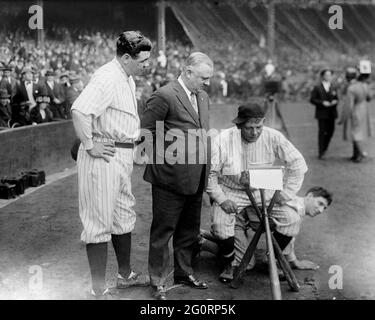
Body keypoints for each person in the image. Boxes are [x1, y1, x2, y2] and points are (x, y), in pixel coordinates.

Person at [71, 30, 152, 299]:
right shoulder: (107, 76)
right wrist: (90, 145)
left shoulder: (125, 76)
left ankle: (125, 275)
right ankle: (97, 289)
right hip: (103, 155)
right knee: (98, 221)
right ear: (126, 57)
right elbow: (80, 110)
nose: (147, 65)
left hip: (120, 154)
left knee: (122, 214)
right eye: (143, 61)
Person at [205, 101, 308, 282]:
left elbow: (298, 164)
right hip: (232, 189)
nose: (255, 132)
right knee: (221, 226)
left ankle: (272, 258)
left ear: (264, 122)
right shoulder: (223, 139)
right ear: (239, 125)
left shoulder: (273, 136)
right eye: (249, 128)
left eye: (258, 127)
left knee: (291, 220)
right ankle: (229, 263)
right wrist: (221, 199)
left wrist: (287, 193)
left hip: (263, 190)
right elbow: (210, 174)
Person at [141, 52, 214, 300]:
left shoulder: (203, 97)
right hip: (169, 180)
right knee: (163, 232)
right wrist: (167, 167)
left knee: (188, 231)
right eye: (204, 77)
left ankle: (184, 273)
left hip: (196, 176)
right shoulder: (164, 95)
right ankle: (157, 281)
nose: (208, 82)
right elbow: (146, 134)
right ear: (188, 71)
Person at [200, 186, 332, 281]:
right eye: (319, 203)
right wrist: (272, 259)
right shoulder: (290, 202)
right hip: (235, 218)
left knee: (252, 254)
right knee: (246, 263)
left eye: (324, 208)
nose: (320, 210)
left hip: (244, 222)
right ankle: (201, 242)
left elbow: (289, 237)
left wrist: (294, 261)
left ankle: (204, 234)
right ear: (309, 196)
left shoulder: (298, 211)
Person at [340, 68, 372, 163]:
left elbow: (349, 105)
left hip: (355, 111)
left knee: (355, 134)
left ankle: (361, 154)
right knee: (358, 132)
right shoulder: (364, 85)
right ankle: (355, 155)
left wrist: (342, 118)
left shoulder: (351, 88)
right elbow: (369, 98)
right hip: (364, 110)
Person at [310, 69, 339, 159]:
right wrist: (322, 102)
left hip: (332, 113)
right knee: (322, 132)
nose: (328, 77)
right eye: (326, 75)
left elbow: (337, 98)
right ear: (323, 76)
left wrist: (335, 101)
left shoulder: (334, 86)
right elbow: (312, 99)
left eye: (330, 75)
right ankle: (321, 152)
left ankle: (325, 147)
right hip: (322, 113)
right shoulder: (317, 87)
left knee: (331, 132)